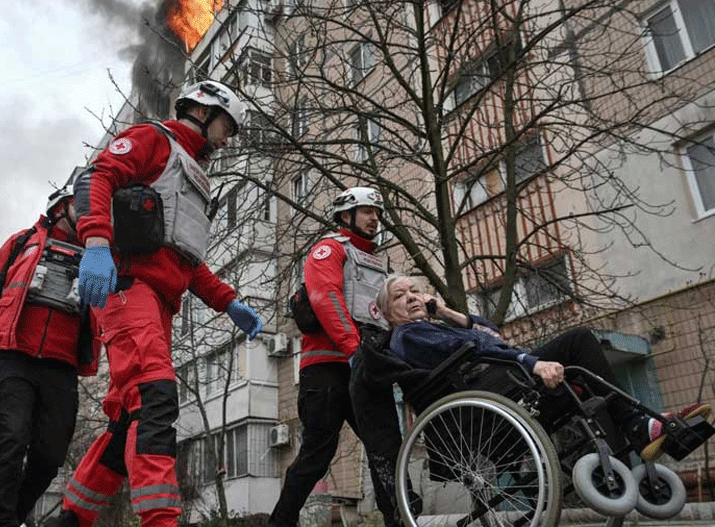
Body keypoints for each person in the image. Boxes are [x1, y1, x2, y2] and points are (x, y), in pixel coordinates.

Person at [49, 80, 264, 527]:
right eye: (228, 126)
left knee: (130, 418)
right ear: (203, 112)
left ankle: (71, 519)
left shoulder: (196, 175)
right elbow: (97, 176)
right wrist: (95, 243)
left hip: (159, 303)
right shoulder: (154, 139)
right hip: (129, 289)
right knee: (154, 397)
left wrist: (228, 303)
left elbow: (185, 259)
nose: (229, 139)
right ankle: (161, 519)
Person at [377, 274, 711, 462]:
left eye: (415, 291)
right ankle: (642, 426)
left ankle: (639, 434)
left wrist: (447, 312)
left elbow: (492, 333)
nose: (411, 297)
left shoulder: (435, 325)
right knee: (578, 342)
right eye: (399, 296)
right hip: (493, 392)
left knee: (582, 379)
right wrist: (531, 362)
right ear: (388, 313)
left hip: (501, 382)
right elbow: (478, 346)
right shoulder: (408, 335)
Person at [0, 183, 100, 527]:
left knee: (51, 454)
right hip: (13, 358)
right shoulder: (22, 243)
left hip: (62, 364)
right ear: (61, 206)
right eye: (82, 204)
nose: (89, 211)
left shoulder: (99, 255)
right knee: (9, 441)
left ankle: (12, 516)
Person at [270, 186, 398, 527]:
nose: (375, 218)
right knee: (317, 453)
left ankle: (400, 519)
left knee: (386, 449)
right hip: (327, 369)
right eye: (368, 211)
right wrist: (353, 350)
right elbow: (326, 298)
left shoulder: (379, 262)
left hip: (365, 366)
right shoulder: (328, 250)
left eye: (378, 213)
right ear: (346, 215)